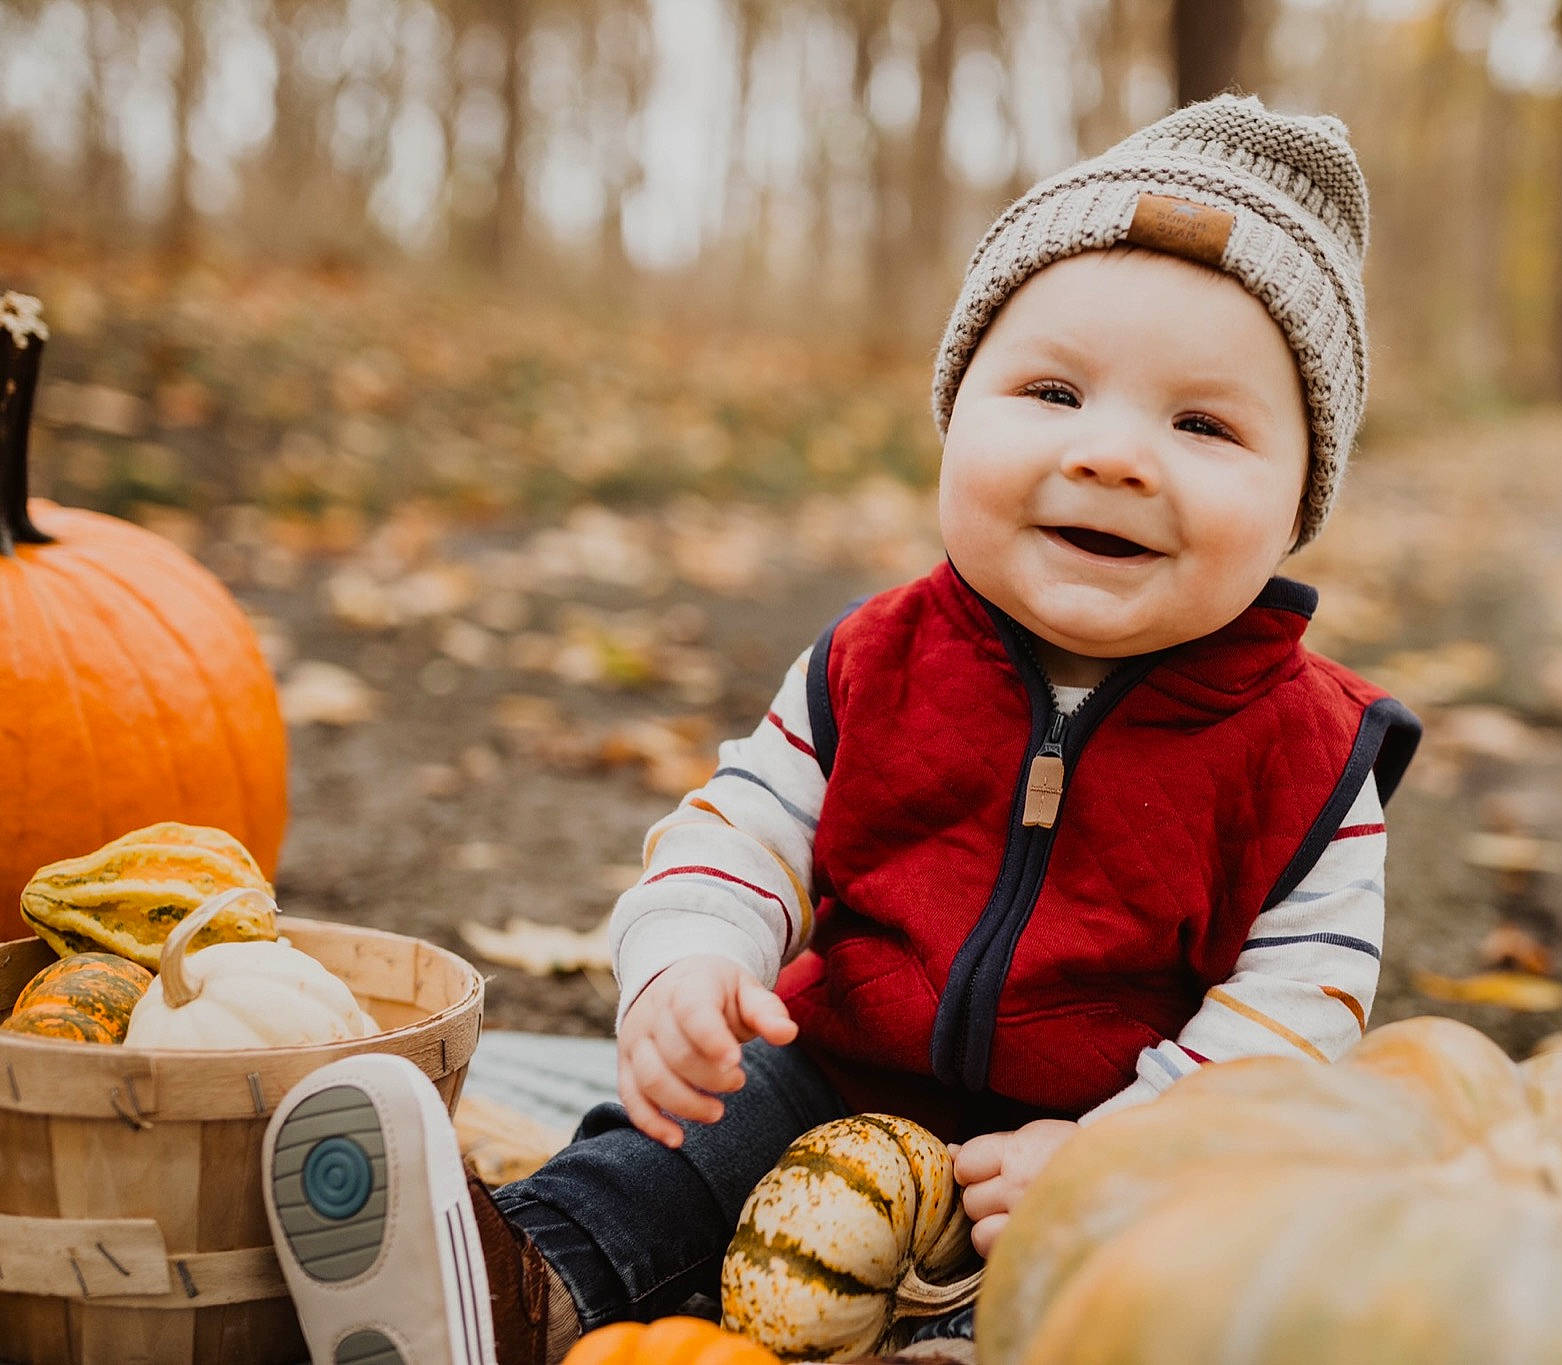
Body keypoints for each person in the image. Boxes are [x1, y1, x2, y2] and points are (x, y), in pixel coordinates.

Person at [260, 91, 1420, 1365]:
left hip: (1090, 1150)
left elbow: (1295, 1010)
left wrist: (1121, 1158)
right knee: (671, 1150)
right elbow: (743, 825)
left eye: (1201, 425)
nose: (1112, 456)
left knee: (1138, 1297)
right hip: (834, 1073)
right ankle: (508, 1285)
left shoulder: (1310, 759)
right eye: (1049, 391)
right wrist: (694, 959)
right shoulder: (875, 661)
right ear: (953, 410)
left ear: (1298, 497)